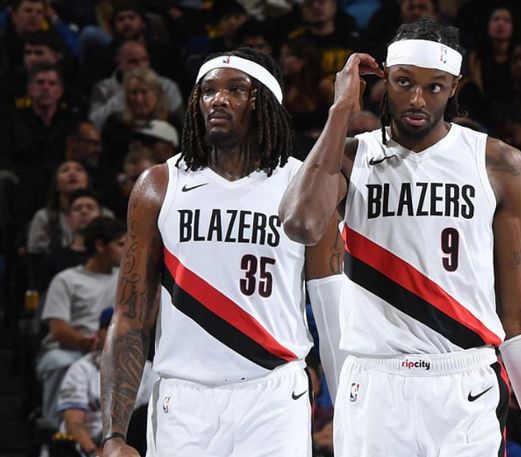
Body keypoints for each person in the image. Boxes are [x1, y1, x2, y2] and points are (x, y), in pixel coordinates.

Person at [279, 16, 521, 456]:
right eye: (404, 82)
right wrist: (340, 111)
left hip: (465, 379)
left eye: (434, 87)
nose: (416, 99)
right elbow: (300, 223)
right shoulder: (352, 157)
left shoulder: (498, 164)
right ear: (384, 80)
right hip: (375, 383)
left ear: (454, 87)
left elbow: (519, 311)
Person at [100, 47, 341, 457]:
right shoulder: (159, 186)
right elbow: (131, 314)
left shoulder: (302, 186)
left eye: (236, 89)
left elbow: (330, 304)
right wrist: (114, 435)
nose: (218, 100)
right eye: (208, 90)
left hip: (275, 393)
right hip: (183, 398)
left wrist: (346, 408)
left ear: (264, 102)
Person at [36, 216, 125, 428]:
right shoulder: (66, 280)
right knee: (59, 362)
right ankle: (56, 430)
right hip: (71, 348)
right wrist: (85, 341)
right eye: (121, 244)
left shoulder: (125, 279)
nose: (127, 250)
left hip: (113, 348)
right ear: (100, 245)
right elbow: (58, 329)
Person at [56, 307, 157, 457]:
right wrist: (94, 452)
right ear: (99, 334)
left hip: (129, 446)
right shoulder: (81, 369)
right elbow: (73, 421)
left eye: (127, 328)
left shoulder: (148, 371)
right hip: (87, 446)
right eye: (111, 327)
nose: (120, 332)